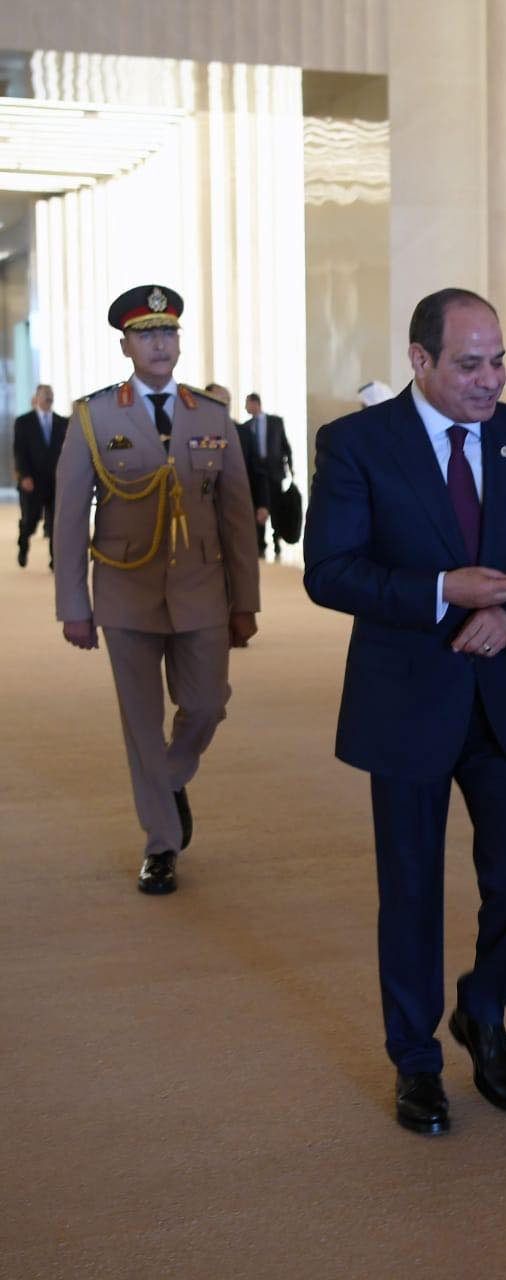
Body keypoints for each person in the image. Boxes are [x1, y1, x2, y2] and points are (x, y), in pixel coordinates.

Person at [303, 288, 506, 1137]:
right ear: (419, 360)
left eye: (497, 360)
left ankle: (483, 1005)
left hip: (503, 697)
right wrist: (439, 591)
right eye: (469, 364)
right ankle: (415, 1061)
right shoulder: (357, 443)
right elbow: (329, 571)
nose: (489, 379)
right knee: (411, 888)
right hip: (404, 699)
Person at [54, 285, 260, 895]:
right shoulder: (94, 417)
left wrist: (245, 602)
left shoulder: (211, 414)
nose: (159, 344)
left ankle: (170, 779)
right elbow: (69, 520)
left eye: (168, 332)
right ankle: (161, 844)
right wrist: (74, 607)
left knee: (207, 704)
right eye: (146, 335)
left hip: (202, 588)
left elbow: (237, 517)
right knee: (142, 724)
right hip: (126, 591)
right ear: (126, 346)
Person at [13, 384, 67, 568]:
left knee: (55, 524)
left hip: (55, 481)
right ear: (36, 398)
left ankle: (55, 560)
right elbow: (19, 452)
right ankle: (23, 544)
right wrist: (24, 476)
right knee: (30, 520)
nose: (49, 398)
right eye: (45, 395)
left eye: (51, 394)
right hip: (32, 481)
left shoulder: (62, 422)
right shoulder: (23, 422)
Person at [207, 383, 270, 540]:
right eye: (219, 400)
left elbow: (257, 471)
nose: (225, 405)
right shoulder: (193, 434)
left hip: (237, 509)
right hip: (205, 513)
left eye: (227, 400)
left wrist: (263, 504)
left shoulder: (243, 432)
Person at [241, 392, 292, 559]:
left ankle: (276, 541)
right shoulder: (246, 427)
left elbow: (285, 446)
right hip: (256, 473)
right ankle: (260, 543)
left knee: (276, 508)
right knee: (260, 507)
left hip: (274, 473)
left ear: (255, 403)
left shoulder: (276, 422)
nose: (246, 407)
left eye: (247, 403)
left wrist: (291, 468)